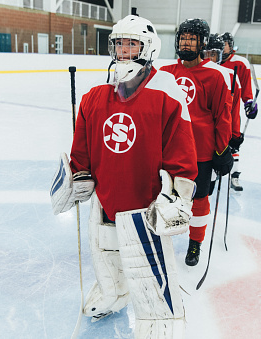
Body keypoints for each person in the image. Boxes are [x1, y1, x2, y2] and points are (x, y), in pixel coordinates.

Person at [50, 14, 198, 339]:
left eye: (132, 44)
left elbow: (182, 161)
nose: (124, 52)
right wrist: (74, 180)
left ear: (148, 48)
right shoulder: (93, 98)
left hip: (144, 213)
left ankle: (159, 324)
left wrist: (177, 197)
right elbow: (82, 157)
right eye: (119, 44)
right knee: (107, 266)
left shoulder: (167, 96)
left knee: (151, 287)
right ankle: (112, 295)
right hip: (103, 208)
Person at [160, 19, 233, 267]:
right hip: (169, 152)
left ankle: (195, 243)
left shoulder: (215, 77)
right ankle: (162, 237)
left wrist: (223, 151)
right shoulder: (165, 74)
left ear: (202, 43)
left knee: (199, 200)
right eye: (183, 38)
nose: (186, 43)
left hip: (200, 154)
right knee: (164, 196)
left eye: (192, 39)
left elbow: (222, 118)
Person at [203, 33, 243, 194]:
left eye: (213, 54)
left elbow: (234, 111)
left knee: (207, 188)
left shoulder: (231, 77)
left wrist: (234, 136)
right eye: (207, 54)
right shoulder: (194, 74)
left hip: (216, 141)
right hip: (197, 139)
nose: (210, 58)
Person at [220, 32, 259, 191]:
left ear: (230, 44)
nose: (222, 48)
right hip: (214, 112)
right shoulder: (211, 60)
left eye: (225, 44)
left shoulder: (240, 63)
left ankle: (234, 176)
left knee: (234, 143)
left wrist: (250, 104)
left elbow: (246, 91)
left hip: (232, 112)